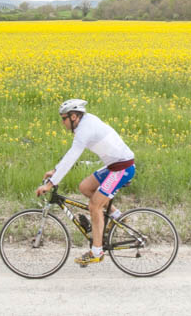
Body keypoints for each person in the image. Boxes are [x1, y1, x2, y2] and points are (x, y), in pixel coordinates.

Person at [36, 99, 135, 266]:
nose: (62, 122)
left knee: (94, 206)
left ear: (74, 116)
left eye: (64, 118)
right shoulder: (85, 122)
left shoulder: (84, 130)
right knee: (85, 187)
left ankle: (97, 252)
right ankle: (118, 216)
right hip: (113, 166)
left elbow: (72, 156)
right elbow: (70, 155)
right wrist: (55, 170)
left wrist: (50, 183)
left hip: (121, 169)